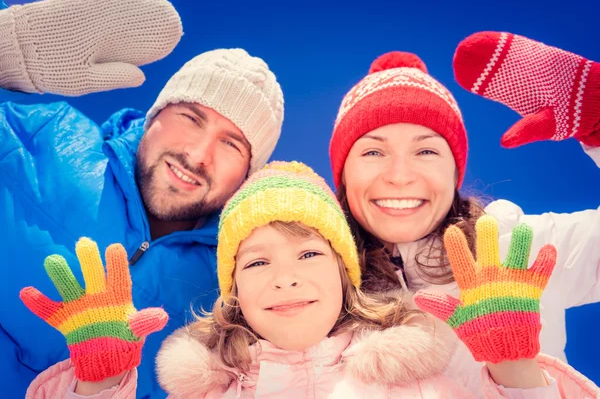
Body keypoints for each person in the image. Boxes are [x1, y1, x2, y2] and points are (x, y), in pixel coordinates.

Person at [21, 161, 599, 398]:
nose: (283, 280)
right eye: (256, 262)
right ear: (233, 293)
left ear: (348, 277)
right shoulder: (209, 392)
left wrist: (517, 368)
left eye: (307, 256)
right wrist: (96, 385)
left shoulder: (421, 383)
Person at [0, 0, 284, 397]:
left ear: (246, 175)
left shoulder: (232, 288)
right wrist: (6, 48)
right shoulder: (44, 139)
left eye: (231, 145)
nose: (198, 155)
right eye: (190, 118)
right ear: (155, 115)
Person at [328, 32, 600, 394]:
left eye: (426, 151)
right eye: (373, 152)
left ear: (455, 173)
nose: (399, 176)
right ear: (343, 175)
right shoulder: (315, 281)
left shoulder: (521, 248)